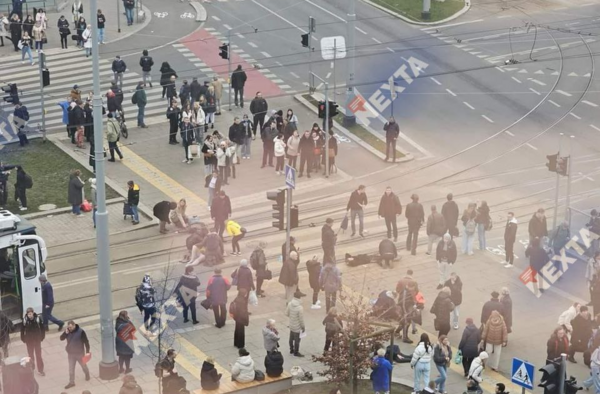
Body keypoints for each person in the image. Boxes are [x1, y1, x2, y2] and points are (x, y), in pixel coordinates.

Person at [60, 320, 91, 389]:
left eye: (71, 327)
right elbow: (61, 338)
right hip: (71, 354)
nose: (69, 329)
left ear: (74, 325)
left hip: (80, 353)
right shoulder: (67, 331)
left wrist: (87, 351)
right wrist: (65, 333)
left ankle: (87, 373)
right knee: (71, 369)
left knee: (83, 366)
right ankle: (71, 382)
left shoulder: (81, 332)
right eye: (69, 327)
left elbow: (86, 342)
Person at [21, 307, 45, 376]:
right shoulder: (25, 320)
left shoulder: (37, 319)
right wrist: (23, 339)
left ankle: (40, 370)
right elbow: (22, 330)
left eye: (31, 314)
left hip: (37, 340)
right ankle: (32, 368)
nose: (30, 315)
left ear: (33, 313)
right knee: (31, 356)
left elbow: (42, 328)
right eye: (28, 314)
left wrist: (42, 337)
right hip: (29, 341)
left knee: (38, 355)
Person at [397, 270, 419, 343]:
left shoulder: (408, 291)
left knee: (403, 323)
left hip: (407, 309)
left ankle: (397, 332)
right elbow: (403, 304)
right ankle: (405, 337)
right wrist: (407, 313)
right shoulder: (405, 293)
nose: (413, 290)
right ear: (409, 287)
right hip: (405, 311)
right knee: (406, 323)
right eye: (412, 288)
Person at [286, 290, 306, 357]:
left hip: (291, 324)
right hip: (297, 327)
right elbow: (301, 319)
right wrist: (303, 327)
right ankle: (296, 352)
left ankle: (291, 349)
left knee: (291, 338)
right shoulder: (300, 308)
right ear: (299, 298)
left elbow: (286, 313)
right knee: (297, 340)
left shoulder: (290, 303)